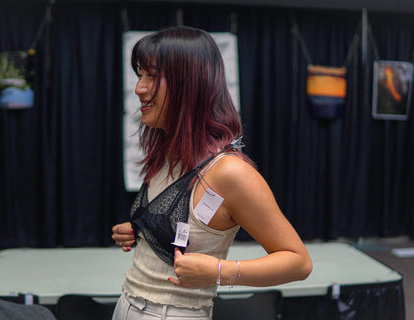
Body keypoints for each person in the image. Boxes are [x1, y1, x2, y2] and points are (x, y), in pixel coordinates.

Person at [111, 26, 312, 320]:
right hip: (127, 303)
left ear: (188, 84)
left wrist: (222, 271)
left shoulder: (229, 172)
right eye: (140, 75)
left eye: (151, 76)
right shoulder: (167, 152)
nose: (139, 87)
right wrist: (139, 232)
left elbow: (299, 262)